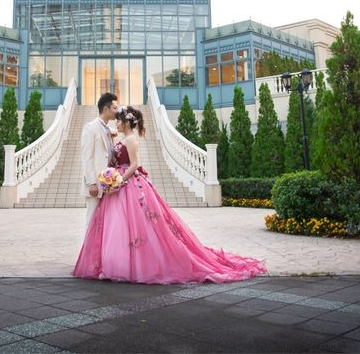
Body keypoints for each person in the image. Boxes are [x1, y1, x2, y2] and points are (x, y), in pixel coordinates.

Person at [73, 105, 266, 284]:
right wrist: (111, 177)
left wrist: (120, 180)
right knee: (118, 226)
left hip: (128, 184)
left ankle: (135, 264)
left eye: (119, 120)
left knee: (136, 224)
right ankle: (116, 262)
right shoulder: (122, 138)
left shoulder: (131, 140)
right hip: (117, 186)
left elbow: (135, 164)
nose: (116, 123)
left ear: (126, 122)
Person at [80, 92, 118, 228]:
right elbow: (87, 157)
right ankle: (86, 243)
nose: (116, 111)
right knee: (91, 220)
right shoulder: (91, 127)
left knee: (105, 223)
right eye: (114, 108)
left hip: (107, 184)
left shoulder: (108, 129)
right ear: (106, 109)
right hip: (95, 184)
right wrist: (91, 183)